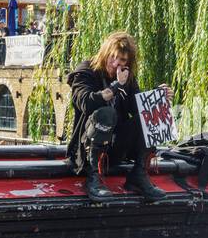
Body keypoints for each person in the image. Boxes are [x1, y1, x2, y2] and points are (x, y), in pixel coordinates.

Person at [65, 30, 166, 202]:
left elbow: (137, 108)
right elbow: (85, 102)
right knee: (106, 113)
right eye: (113, 57)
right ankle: (93, 176)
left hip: (116, 147)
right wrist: (115, 87)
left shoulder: (127, 77)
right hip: (86, 148)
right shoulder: (86, 71)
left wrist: (157, 97)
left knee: (151, 111)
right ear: (105, 53)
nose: (115, 63)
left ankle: (138, 174)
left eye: (122, 60)